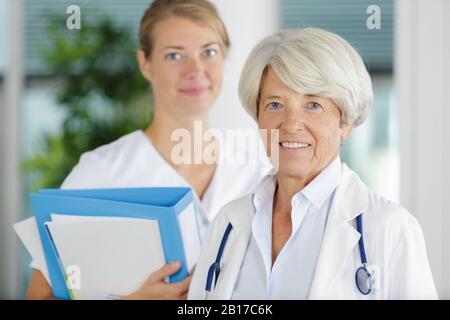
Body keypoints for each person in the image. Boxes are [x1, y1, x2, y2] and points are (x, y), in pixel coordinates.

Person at [26, 0, 269, 300]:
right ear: (145, 63)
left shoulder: (260, 169)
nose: (195, 70)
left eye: (209, 52)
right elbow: (38, 296)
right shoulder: (101, 172)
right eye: (174, 55)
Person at [188, 28, 438, 299]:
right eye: (274, 105)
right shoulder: (228, 223)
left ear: (345, 123)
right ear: (258, 117)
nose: (291, 124)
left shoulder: (392, 229)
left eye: (313, 105)